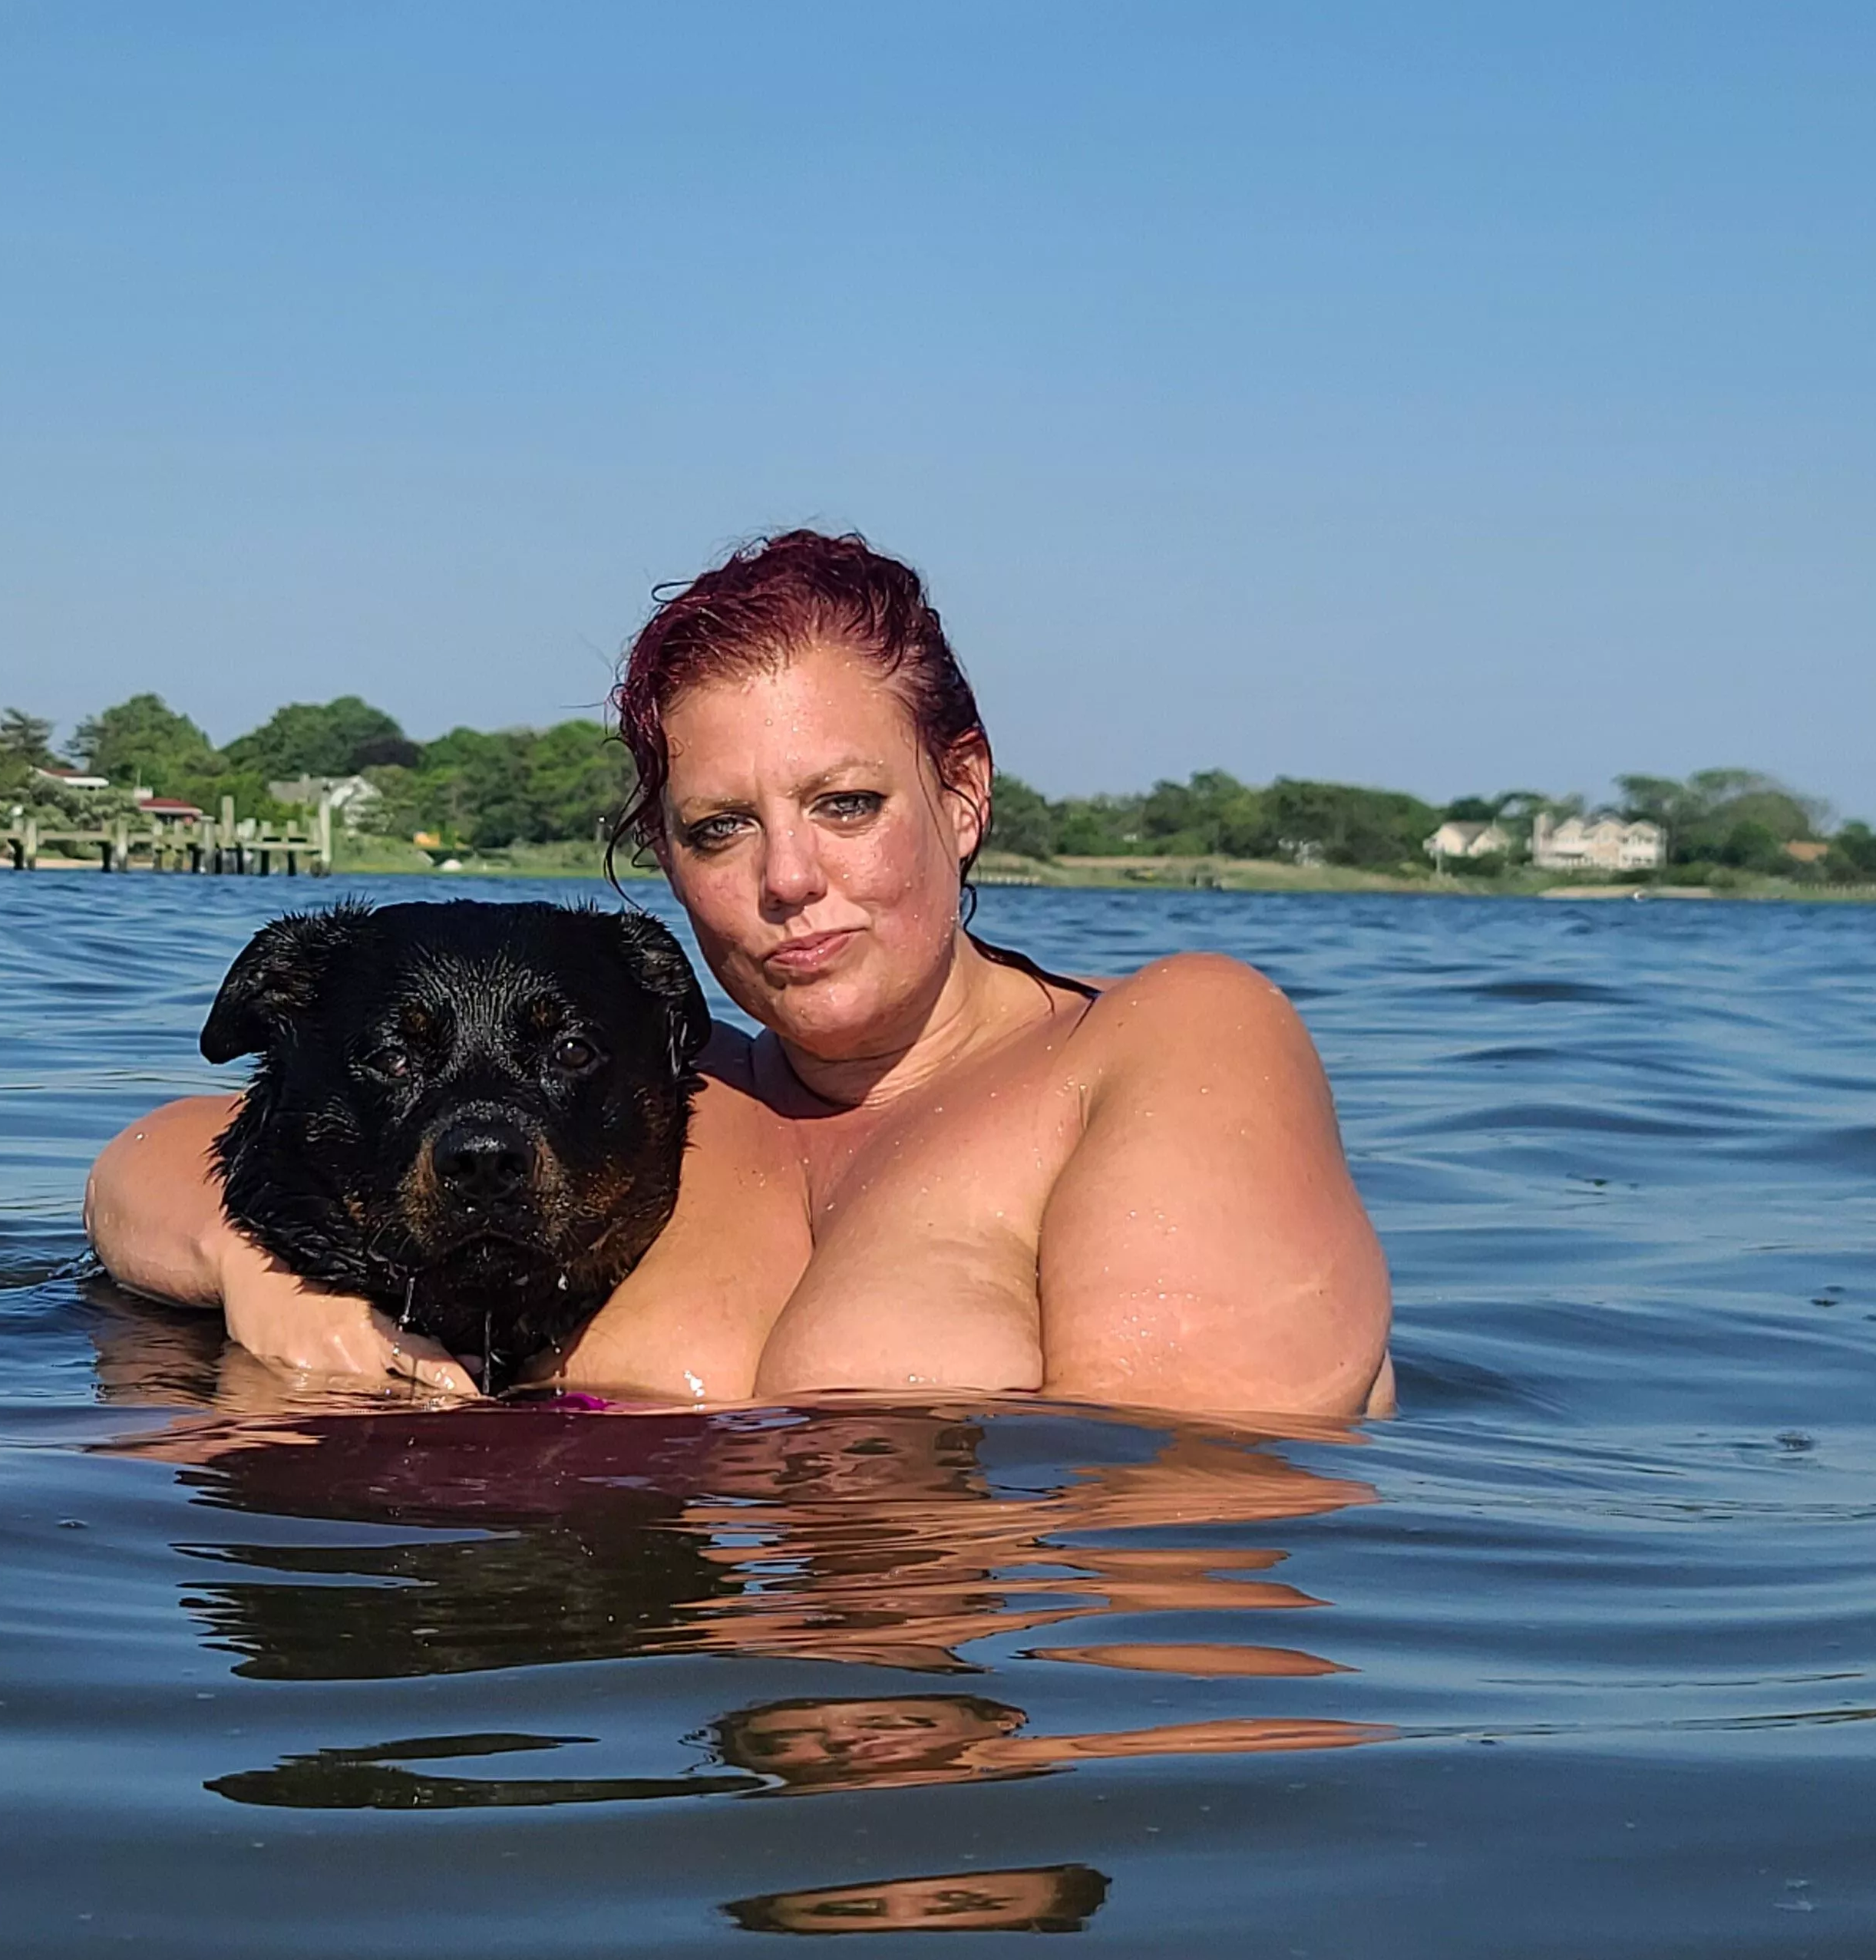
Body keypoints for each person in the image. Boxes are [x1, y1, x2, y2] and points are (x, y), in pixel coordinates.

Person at [85, 530, 1392, 1417]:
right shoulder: (669, 1083)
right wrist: (262, 1272)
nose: (786, 878)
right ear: (661, 854)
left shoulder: (1166, 1043)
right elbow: (153, 1156)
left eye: (847, 803)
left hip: (931, 1761)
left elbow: (1187, 1530)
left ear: (964, 793)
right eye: (720, 828)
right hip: (634, 1726)